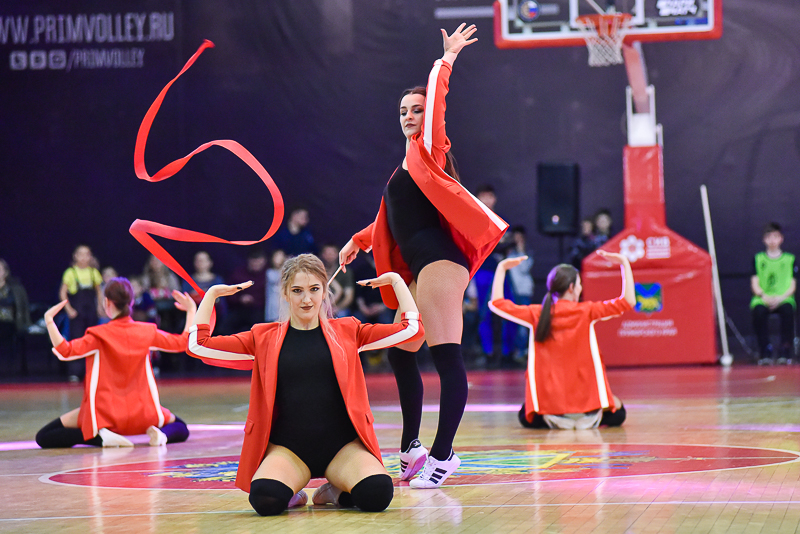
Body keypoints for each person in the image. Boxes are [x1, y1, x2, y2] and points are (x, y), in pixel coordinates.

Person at [338, 23, 507, 488]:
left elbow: (436, 110)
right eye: (403, 111)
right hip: (420, 267)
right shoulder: (405, 169)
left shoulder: (429, 150)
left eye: (416, 109)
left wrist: (445, 61)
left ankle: (443, 455)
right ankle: (411, 448)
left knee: (446, 358)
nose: (410, 116)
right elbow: (393, 218)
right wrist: (360, 239)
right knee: (400, 350)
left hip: (440, 263)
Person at [186, 254, 423, 515]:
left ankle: (334, 490)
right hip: (289, 450)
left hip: (343, 448)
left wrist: (397, 282)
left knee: (378, 493)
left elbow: (412, 329)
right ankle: (293, 491)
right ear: (285, 294)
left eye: (314, 289)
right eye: (297, 291)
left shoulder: (348, 330)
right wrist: (211, 295)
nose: (306, 299)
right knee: (265, 498)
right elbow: (198, 346)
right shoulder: (263, 337)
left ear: (325, 291)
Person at [35, 278, 194, 448]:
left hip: (104, 416)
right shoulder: (146, 332)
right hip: (144, 414)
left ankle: (101, 438)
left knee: (45, 436)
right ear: (131, 302)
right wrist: (192, 310)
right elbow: (182, 343)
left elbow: (64, 351)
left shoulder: (98, 336)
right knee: (181, 427)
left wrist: (49, 321)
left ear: (107, 302)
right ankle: (162, 436)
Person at [489, 250, 634, 430]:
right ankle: (583, 418)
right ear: (572, 287)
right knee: (618, 412)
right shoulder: (587, 311)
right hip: (587, 407)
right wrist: (624, 263)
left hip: (551, 409)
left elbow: (497, 303)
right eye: (580, 284)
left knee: (525, 415)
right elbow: (628, 301)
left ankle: (559, 419)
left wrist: (502, 268)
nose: (581, 289)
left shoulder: (536, 314)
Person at [751, 222, 797, 365]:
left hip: (784, 298)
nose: (772, 240)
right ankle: (765, 350)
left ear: (781, 239)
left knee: (788, 311)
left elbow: (793, 286)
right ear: (764, 239)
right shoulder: (758, 259)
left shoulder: (790, 259)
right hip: (763, 298)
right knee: (758, 311)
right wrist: (764, 296)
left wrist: (780, 298)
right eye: (769, 237)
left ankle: (785, 350)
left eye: (775, 237)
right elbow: (755, 284)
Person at [59, 245, 104, 382]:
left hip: (91, 313)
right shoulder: (70, 273)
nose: (84, 257)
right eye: (81, 254)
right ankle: (75, 371)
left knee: (93, 340)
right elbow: (62, 293)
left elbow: (99, 292)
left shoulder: (94, 273)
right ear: (75, 256)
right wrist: (69, 309)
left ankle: (92, 370)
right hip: (77, 314)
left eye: (87, 254)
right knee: (77, 340)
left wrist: (100, 307)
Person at [227, 248, 268, 332]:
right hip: (239, 309)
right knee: (225, 326)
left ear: (264, 261)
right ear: (249, 261)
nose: (256, 264)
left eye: (258, 261)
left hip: (261, 311)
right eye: (254, 261)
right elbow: (229, 293)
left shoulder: (268, 275)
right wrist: (240, 298)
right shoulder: (238, 274)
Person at [0, 259, 30, 360]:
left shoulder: (16, 289)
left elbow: (24, 307)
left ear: (5, 272)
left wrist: (27, 324)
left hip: (11, 324)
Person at [321, 244, 355, 317]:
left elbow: (348, 296)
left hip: (338, 307)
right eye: (327, 254)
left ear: (338, 254)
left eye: (332, 254)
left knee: (341, 315)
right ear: (322, 255)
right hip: (320, 306)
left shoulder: (344, 271)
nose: (329, 256)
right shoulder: (318, 271)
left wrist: (337, 308)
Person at [265, 249, 287, 322]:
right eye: (276, 257)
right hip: (273, 307)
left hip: (285, 307)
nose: (279, 259)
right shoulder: (269, 272)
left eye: (281, 257)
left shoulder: (289, 273)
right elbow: (276, 279)